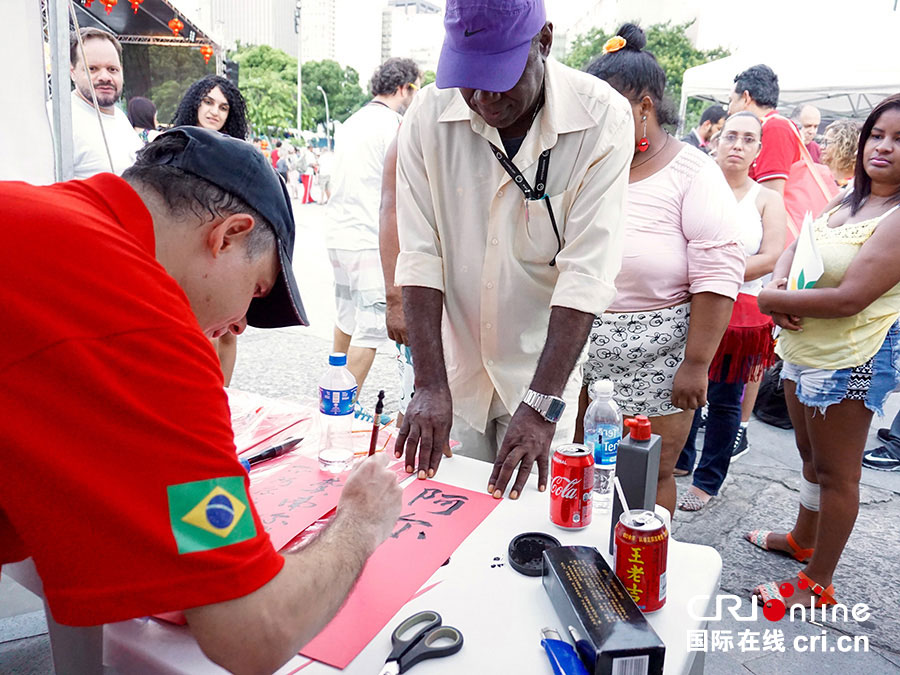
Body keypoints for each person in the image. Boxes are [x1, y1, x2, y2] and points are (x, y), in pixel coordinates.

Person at [0, 127, 402, 674]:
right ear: (229, 236)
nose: (239, 324)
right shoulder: (143, 319)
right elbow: (251, 633)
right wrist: (361, 521)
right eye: (256, 294)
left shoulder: (40, 212)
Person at [394, 0, 633, 500]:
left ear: (543, 41)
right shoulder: (427, 114)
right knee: (441, 509)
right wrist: (429, 384)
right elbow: (420, 254)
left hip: (541, 366)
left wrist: (543, 404)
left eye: (498, 77)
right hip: (454, 363)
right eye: (468, 78)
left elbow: (585, 274)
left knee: (524, 522)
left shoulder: (602, 118)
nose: (482, 98)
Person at [576, 24, 744, 516]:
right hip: (585, 345)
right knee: (583, 464)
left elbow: (717, 277)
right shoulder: (590, 166)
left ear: (645, 106)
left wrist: (696, 364)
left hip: (662, 352)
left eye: (610, 110)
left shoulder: (693, 172)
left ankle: (642, 569)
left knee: (650, 470)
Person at [749, 94, 900, 608]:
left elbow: (850, 298)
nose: (884, 147)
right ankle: (802, 541)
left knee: (838, 473)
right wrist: (779, 276)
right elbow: (799, 241)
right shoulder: (849, 199)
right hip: (805, 347)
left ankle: (818, 580)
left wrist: (771, 298)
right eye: (878, 135)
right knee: (810, 456)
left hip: (854, 358)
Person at [674, 112, 786, 510]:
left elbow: (772, 255)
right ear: (716, 142)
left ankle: (709, 479)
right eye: (731, 136)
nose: (737, 145)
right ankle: (681, 460)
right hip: (690, 303)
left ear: (758, 150)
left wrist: (716, 271)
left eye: (748, 139)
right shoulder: (693, 186)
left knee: (724, 400)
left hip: (741, 315)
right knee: (684, 389)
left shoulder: (767, 199)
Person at [325, 57, 420, 413]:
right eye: (415, 88)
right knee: (370, 332)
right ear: (402, 88)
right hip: (368, 236)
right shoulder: (395, 124)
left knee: (345, 321)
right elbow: (400, 191)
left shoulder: (352, 122)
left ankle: (330, 392)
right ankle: (337, 409)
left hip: (338, 235)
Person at [172, 75, 251, 386]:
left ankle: (224, 397)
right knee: (200, 335)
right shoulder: (174, 144)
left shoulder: (238, 155)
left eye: (223, 106)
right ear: (195, 103)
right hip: (186, 252)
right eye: (207, 101)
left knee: (229, 331)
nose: (214, 111)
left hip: (228, 252)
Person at [65, 28, 142, 179]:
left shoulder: (120, 117)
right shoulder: (59, 120)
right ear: (72, 71)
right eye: (92, 69)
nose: (105, 77)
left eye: (112, 69)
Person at [728, 64, 798, 195]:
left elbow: (771, 196)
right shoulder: (772, 126)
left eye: (730, 101)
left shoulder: (774, 128)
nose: (729, 110)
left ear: (746, 98)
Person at [821, 118, 860, 188]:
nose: (821, 147)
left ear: (844, 146)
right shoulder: (819, 175)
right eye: (823, 142)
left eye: (827, 143)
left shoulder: (855, 185)